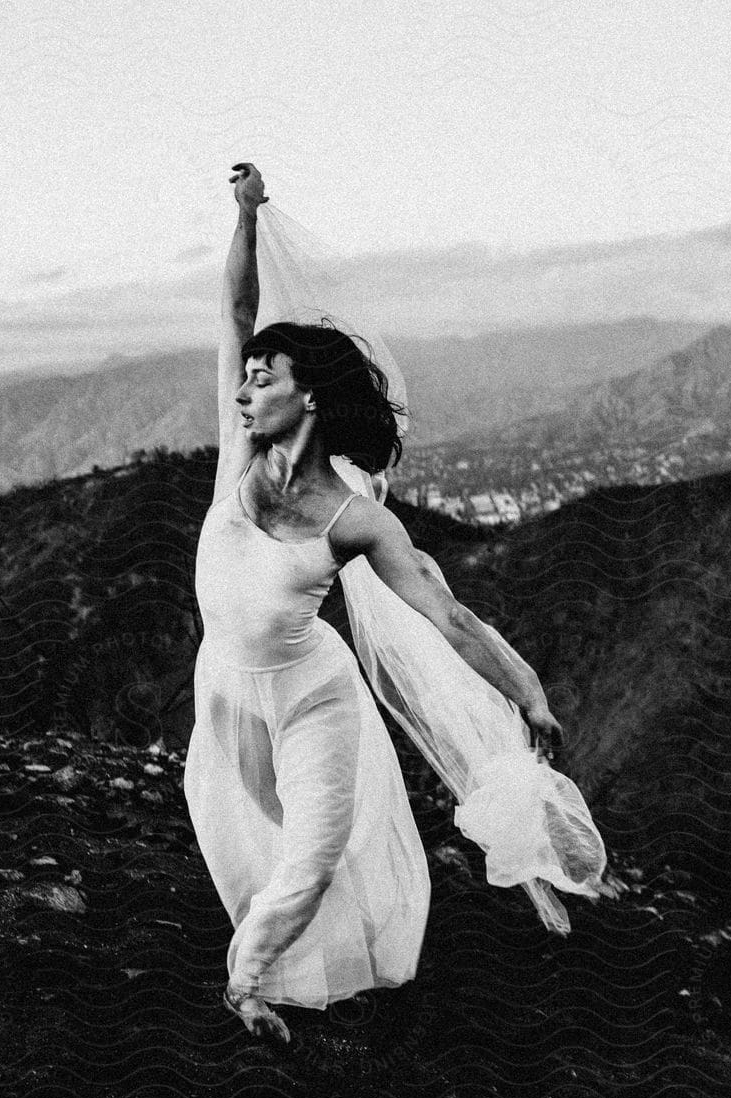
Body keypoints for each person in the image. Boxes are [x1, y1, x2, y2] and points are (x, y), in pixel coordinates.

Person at [186, 163, 569, 1042]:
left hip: (314, 695)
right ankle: (289, 957)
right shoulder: (234, 455)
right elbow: (235, 315)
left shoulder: (357, 522)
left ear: (308, 395)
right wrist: (244, 218)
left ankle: (245, 989)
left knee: (315, 850)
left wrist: (528, 692)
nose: (244, 389)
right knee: (251, 838)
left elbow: (448, 614)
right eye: (242, 378)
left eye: (264, 378)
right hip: (226, 693)